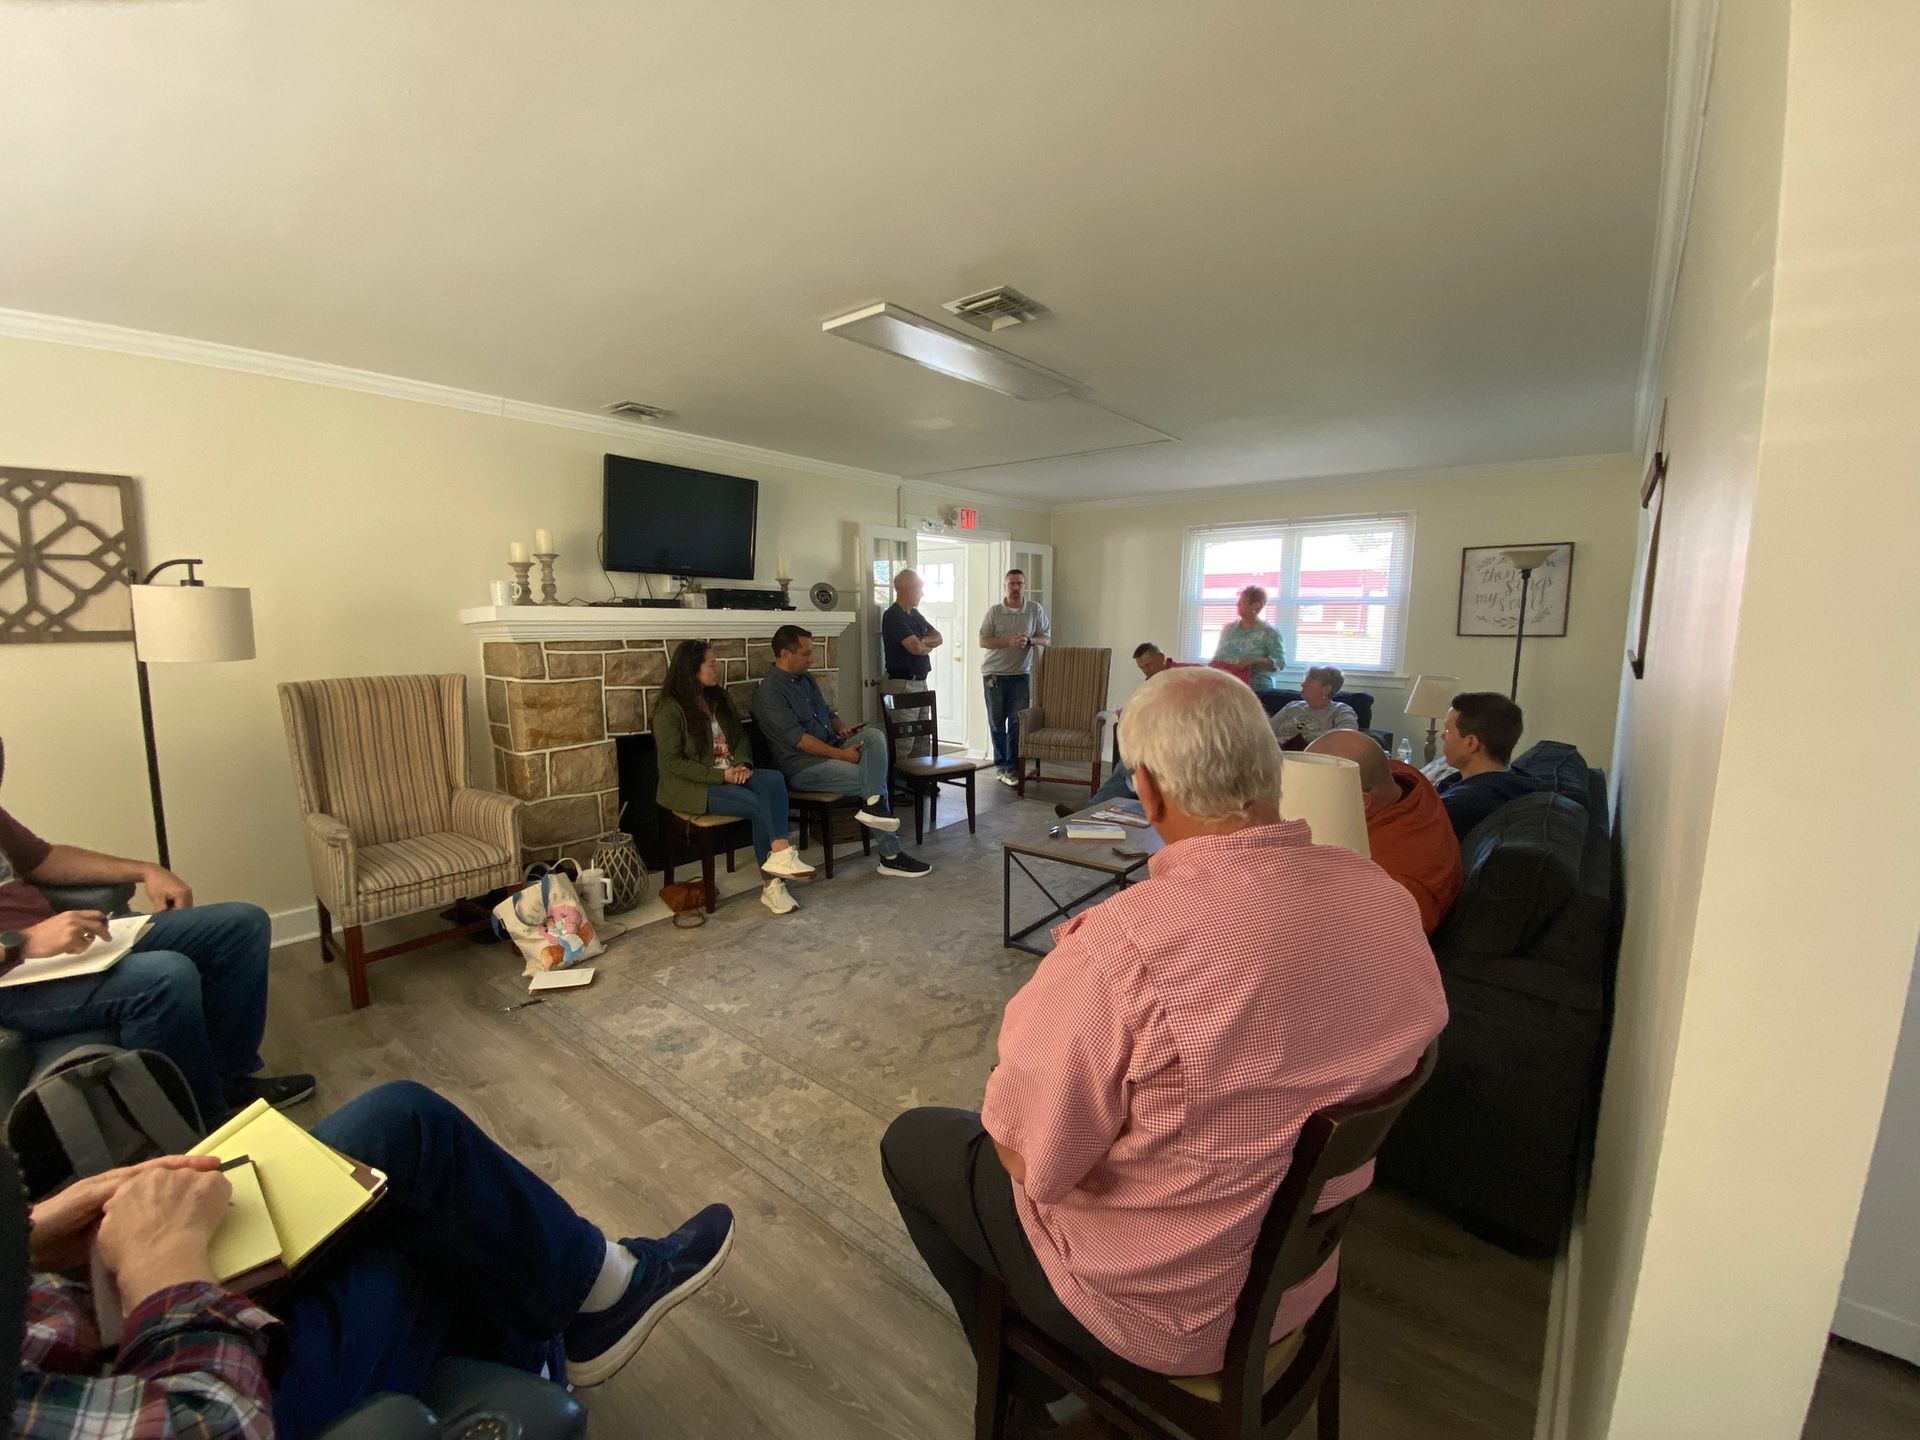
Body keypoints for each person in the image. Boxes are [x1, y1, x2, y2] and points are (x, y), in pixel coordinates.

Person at [882, 668, 1445, 1419]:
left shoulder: (1124, 949)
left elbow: (1033, 1165)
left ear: (1145, 792)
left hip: (1163, 1314)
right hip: (1300, 1280)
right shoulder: (1384, 899)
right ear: (1273, 768)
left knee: (917, 1142)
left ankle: (1028, 1389)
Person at [11, 1079, 736, 1440]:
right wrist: (165, 1261)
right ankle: (602, 1298)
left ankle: (594, 1294)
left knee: (401, 1122)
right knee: (414, 1214)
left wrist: (33, 1232)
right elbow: (211, 1423)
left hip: (73, 1303)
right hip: (189, 1377)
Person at [0, 740, 313, 1125]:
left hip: (54, 952)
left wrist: (146, 869)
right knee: (165, 976)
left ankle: (227, 1080)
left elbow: (42, 859)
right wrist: (22, 943)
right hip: (11, 978)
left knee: (241, 924)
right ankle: (194, 1125)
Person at [750, 625, 932, 879]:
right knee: (872, 780)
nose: (811, 658)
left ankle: (874, 809)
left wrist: (842, 727)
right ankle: (891, 855)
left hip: (832, 746)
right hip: (803, 766)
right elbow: (801, 741)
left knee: (875, 734)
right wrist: (844, 756)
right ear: (784, 654)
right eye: (805, 653)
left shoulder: (806, 679)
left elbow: (828, 713)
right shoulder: (769, 693)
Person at [653, 640, 816, 916]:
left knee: (774, 779)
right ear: (692, 668)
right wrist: (722, 775)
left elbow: (740, 738)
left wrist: (742, 763)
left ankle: (779, 852)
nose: (716, 669)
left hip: (730, 771)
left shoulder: (717, 697)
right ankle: (773, 883)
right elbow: (671, 764)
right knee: (756, 804)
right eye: (711, 664)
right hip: (694, 785)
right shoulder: (669, 709)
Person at [1307, 731, 1463, 934]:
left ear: (1361, 801)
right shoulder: (1400, 779)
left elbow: (1363, 945)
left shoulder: (1398, 885)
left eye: (1312, 795)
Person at [978, 569, 1051, 788]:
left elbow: (1047, 639)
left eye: (1019, 583)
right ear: (1005, 587)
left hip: (1021, 675)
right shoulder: (994, 612)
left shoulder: (1034, 610)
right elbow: (983, 641)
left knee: (1018, 722)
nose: (1015, 588)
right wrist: (1008, 642)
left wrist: (1029, 640)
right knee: (997, 722)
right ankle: (1001, 766)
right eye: (1011, 584)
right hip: (994, 675)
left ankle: (1013, 768)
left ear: (1024, 586)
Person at [1436, 691, 1540, 841]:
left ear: (1471, 743)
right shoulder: (1516, 779)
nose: (1443, 737)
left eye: (1448, 731)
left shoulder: (1460, 805)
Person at [880, 569, 943, 759]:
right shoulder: (893, 616)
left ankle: (920, 784)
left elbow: (938, 638)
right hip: (902, 684)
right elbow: (915, 648)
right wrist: (924, 644)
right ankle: (896, 785)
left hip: (920, 683)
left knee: (922, 739)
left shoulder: (915, 615)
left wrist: (921, 642)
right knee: (903, 740)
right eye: (919, 589)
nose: (922, 594)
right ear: (907, 589)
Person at [1209, 584, 1284, 694]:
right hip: (1227, 689)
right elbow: (1218, 657)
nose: (1237, 604)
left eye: (1243, 602)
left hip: (1257, 691)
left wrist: (1254, 660)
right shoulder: (1228, 629)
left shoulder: (1269, 632)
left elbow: (1280, 662)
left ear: (1256, 606)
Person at [1269, 664, 1360, 747]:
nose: (1303, 685)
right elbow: (1266, 730)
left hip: (1314, 758)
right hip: (1277, 754)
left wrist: (1297, 740)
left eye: (1309, 681)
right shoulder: (1292, 706)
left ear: (1327, 689)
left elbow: (1348, 734)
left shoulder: (1341, 710)